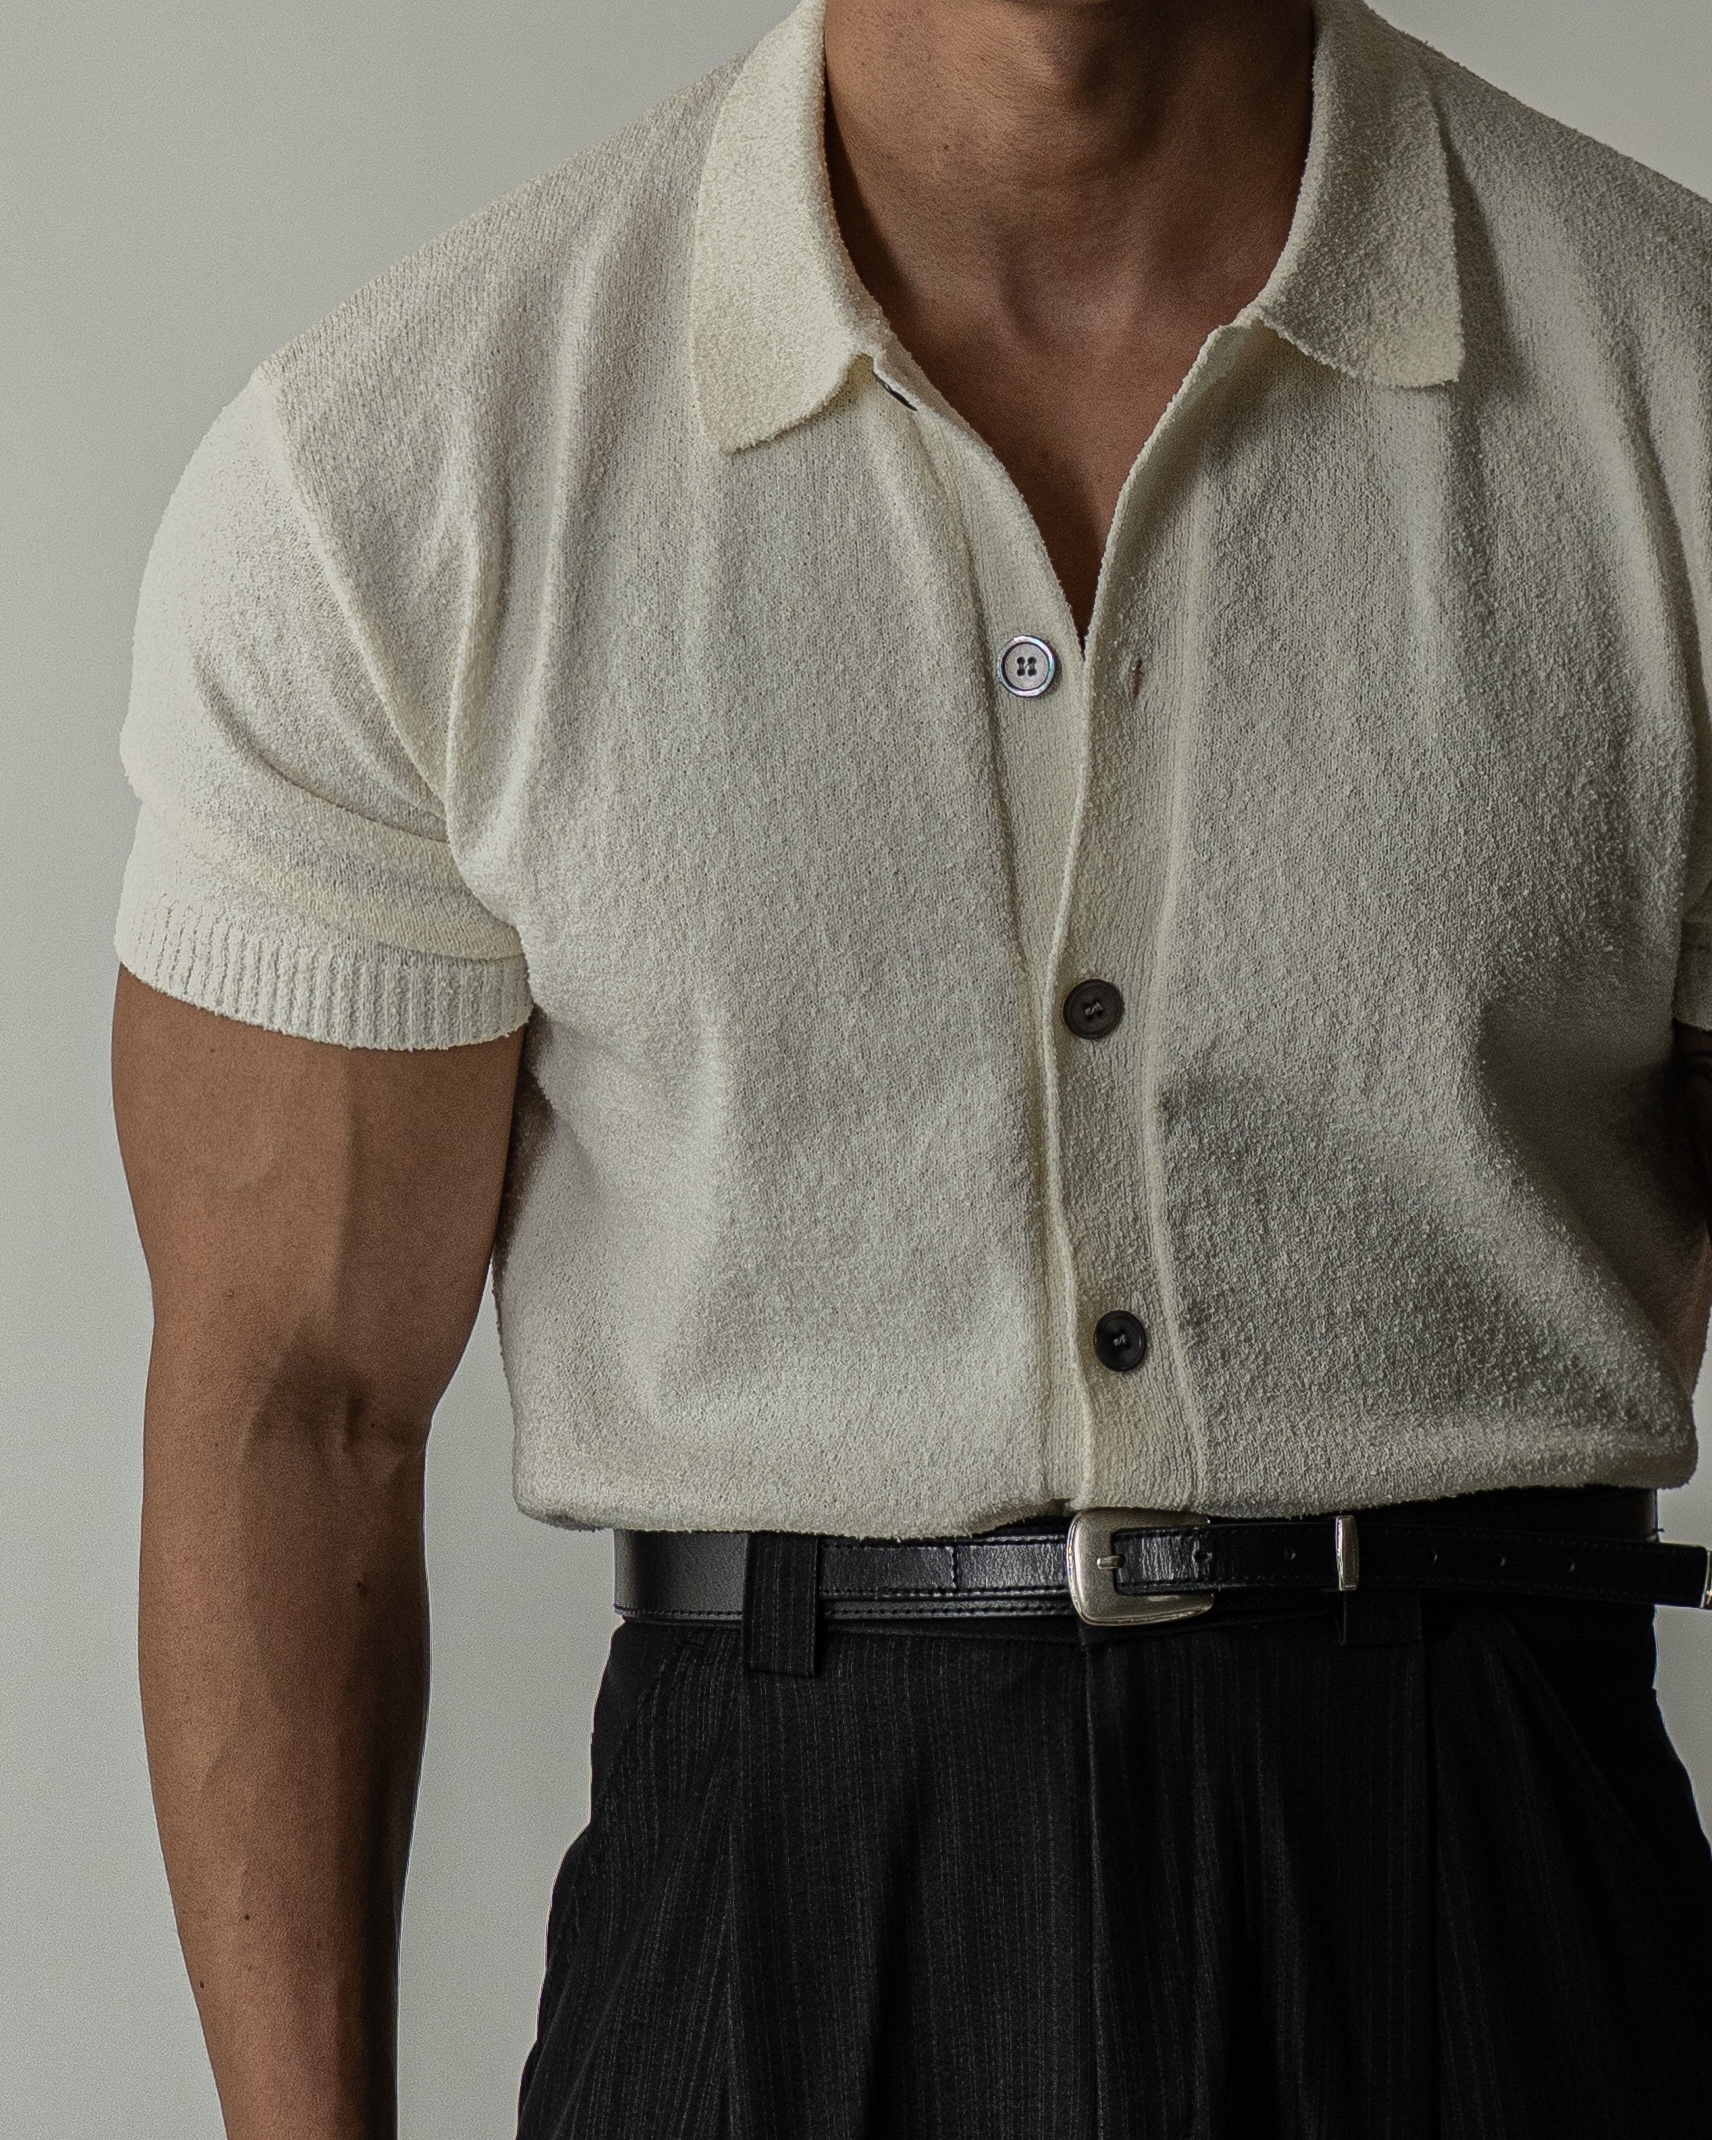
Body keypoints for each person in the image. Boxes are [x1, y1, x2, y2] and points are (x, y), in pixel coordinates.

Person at [109, 0, 1712, 2130]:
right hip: (762, 1905)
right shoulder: (393, 469)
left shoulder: (1667, 380)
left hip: (1496, 1885)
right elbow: (294, 1409)